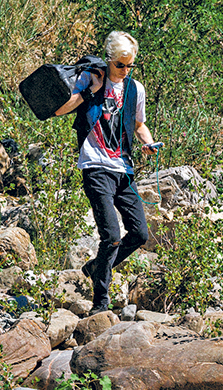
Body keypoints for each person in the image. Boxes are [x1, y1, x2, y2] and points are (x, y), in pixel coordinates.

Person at [54, 31, 159, 315]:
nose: (125, 71)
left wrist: (148, 144)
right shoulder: (91, 78)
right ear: (109, 60)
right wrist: (89, 90)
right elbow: (59, 110)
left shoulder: (135, 88)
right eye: (120, 65)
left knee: (139, 233)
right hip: (95, 166)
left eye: (130, 66)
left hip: (123, 169)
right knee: (111, 236)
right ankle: (100, 303)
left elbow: (138, 125)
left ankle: (95, 267)